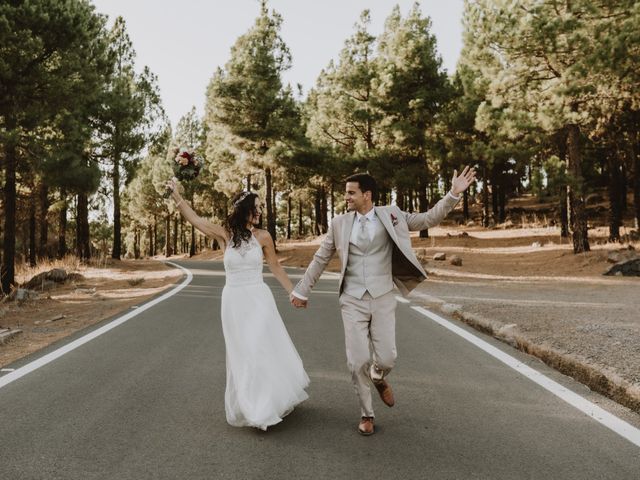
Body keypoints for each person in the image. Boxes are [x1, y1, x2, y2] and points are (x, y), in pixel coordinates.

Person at [290, 167, 476, 436]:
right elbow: (321, 258)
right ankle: (367, 414)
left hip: (383, 296)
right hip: (352, 299)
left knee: (387, 358)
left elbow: (427, 219)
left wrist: (453, 194)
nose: (347, 198)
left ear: (367, 195)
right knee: (357, 361)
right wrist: (301, 290)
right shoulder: (339, 223)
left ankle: (378, 377)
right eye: (346, 194)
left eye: (351, 193)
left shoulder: (393, 215)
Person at [166, 179, 309, 431]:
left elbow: (275, 266)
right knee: (243, 353)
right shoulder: (225, 235)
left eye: (261, 208)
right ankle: (253, 402)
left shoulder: (264, 236)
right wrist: (177, 195)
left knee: (258, 349)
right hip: (233, 301)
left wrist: (294, 292)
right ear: (244, 210)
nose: (261, 212)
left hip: (258, 298)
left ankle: (264, 407)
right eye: (257, 207)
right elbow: (196, 220)